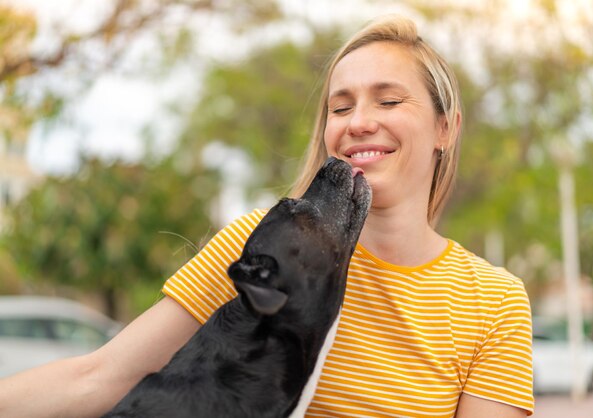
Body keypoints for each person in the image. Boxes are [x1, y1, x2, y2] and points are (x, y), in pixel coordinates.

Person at [0, 14, 533, 418]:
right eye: (341, 107)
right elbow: (97, 377)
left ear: (446, 128)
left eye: (389, 101)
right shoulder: (267, 250)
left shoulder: (494, 302)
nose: (360, 122)